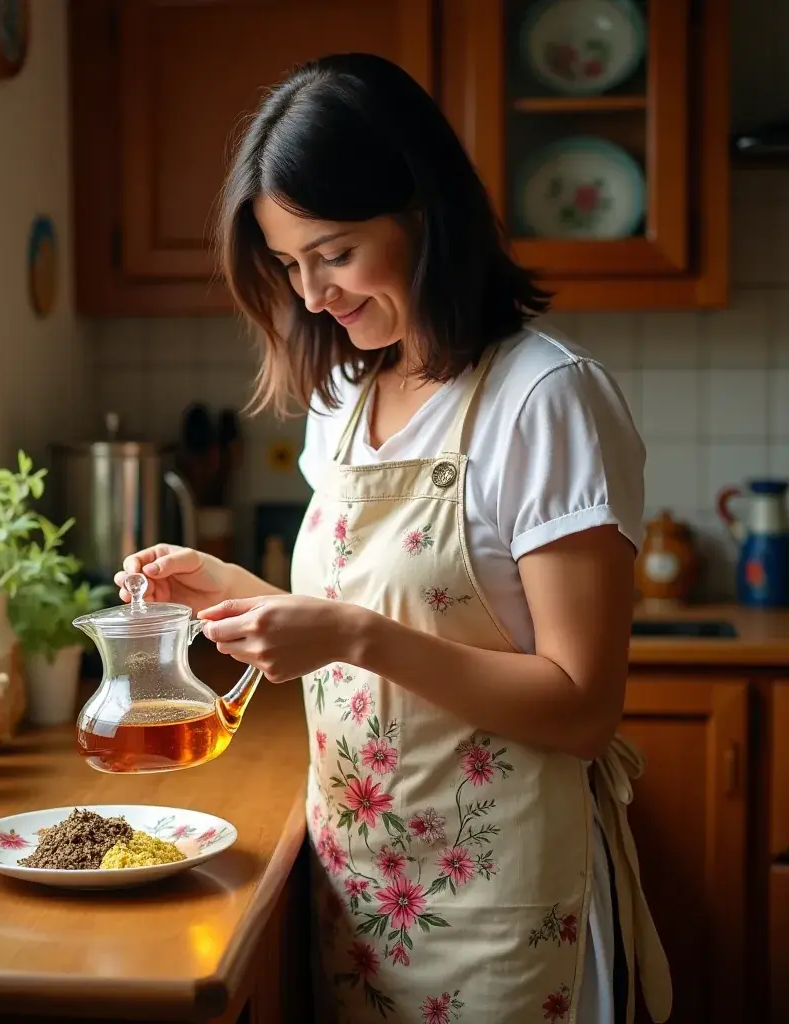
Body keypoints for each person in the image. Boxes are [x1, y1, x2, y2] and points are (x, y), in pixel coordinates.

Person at [116, 53, 672, 1024]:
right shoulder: (344, 397)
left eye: (332, 252)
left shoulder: (544, 400)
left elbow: (581, 707)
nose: (311, 293)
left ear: (423, 211)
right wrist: (225, 587)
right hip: (363, 885)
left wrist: (346, 636)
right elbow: (373, 614)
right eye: (289, 265)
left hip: (500, 903)